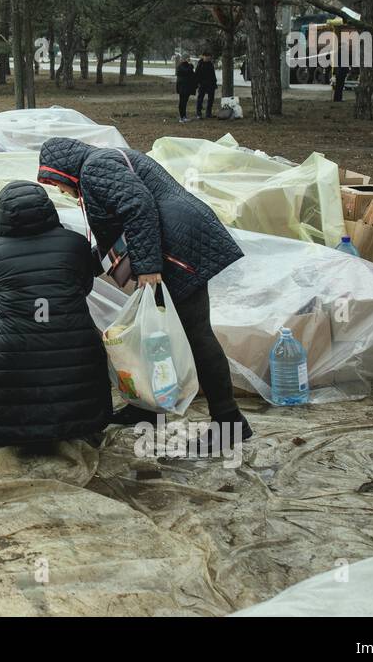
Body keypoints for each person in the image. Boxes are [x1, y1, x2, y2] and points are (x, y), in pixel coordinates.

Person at [36, 136, 253, 448]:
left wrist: (148, 267)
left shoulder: (94, 169)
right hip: (178, 240)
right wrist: (83, 268)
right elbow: (121, 230)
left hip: (177, 249)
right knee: (154, 332)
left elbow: (138, 207)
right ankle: (149, 409)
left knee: (196, 334)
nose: (61, 191)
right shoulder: (102, 161)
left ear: (62, 172)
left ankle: (229, 423)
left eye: (57, 183)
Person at [0, 181, 112, 445]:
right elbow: (83, 288)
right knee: (86, 348)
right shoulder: (75, 245)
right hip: (75, 352)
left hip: (9, 360)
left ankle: (0, 425)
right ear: (49, 210)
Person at [195, 51, 217, 118]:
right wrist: (198, 83)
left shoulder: (210, 64)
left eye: (209, 57)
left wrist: (214, 82)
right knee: (200, 99)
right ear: (203, 56)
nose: (208, 58)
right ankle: (199, 113)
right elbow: (196, 75)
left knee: (211, 99)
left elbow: (213, 74)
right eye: (206, 57)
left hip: (211, 84)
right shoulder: (200, 64)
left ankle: (208, 113)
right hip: (202, 84)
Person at [175, 55, 196, 122]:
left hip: (187, 87)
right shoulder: (180, 66)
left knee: (185, 102)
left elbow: (192, 74)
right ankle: (182, 117)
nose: (189, 60)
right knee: (182, 102)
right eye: (187, 58)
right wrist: (191, 66)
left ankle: (184, 116)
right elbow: (186, 71)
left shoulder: (188, 66)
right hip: (182, 87)